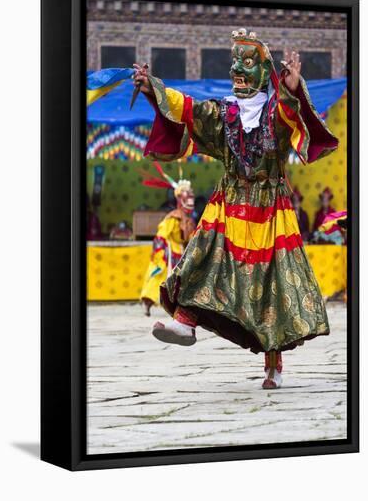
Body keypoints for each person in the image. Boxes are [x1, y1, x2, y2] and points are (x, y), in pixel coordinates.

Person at [133, 28, 338, 389]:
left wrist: (292, 89)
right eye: (234, 63)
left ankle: (273, 361)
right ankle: (185, 320)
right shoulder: (223, 113)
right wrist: (154, 88)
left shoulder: (275, 112)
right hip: (229, 203)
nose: (237, 70)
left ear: (263, 71)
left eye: (247, 62)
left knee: (272, 283)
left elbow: (293, 119)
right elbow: (188, 109)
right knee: (205, 257)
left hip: (269, 210)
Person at [140, 164, 196, 316]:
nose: (190, 199)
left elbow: (190, 238)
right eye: (186, 196)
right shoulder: (174, 216)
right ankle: (147, 302)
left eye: (190, 196)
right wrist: (160, 252)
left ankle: (179, 309)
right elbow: (161, 234)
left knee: (180, 281)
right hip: (169, 252)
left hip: (181, 252)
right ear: (179, 199)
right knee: (160, 275)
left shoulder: (189, 220)